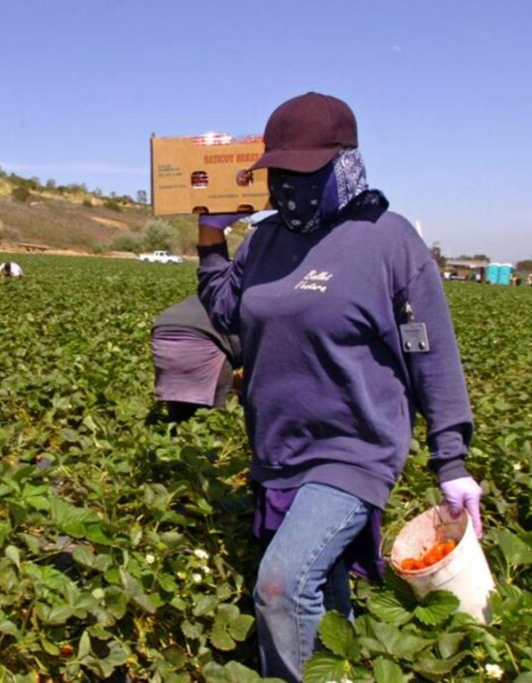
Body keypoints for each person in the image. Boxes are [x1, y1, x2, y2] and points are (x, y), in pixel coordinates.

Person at [195, 92, 482, 682]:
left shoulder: (390, 242)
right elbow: (226, 310)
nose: (289, 188)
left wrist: (449, 459)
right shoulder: (269, 239)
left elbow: (432, 353)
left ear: (345, 163)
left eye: (306, 173)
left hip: (352, 452)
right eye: (280, 174)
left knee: (281, 585)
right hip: (278, 451)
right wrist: (208, 240)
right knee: (324, 603)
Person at [152, 295, 242, 422]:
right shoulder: (234, 304)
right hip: (200, 338)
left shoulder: (206, 297)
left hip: (163, 336)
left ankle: (176, 428)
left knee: (178, 411)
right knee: (218, 413)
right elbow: (239, 346)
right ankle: (218, 432)